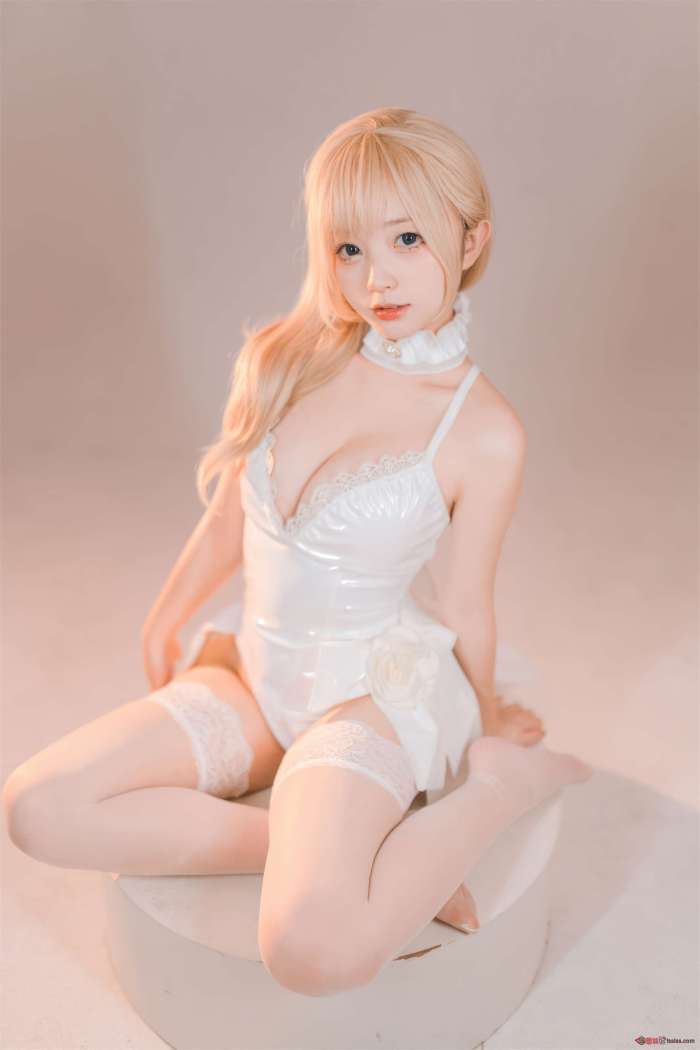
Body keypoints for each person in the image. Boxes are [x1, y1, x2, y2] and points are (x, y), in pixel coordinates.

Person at [2, 107, 592, 997]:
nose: (376, 277)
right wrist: (165, 620)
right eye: (350, 248)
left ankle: (500, 790)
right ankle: (333, 854)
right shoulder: (289, 358)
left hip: (367, 696)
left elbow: (468, 603)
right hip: (256, 675)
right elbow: (232, 520)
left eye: (406, 238)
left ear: (471, 239)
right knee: (37, 807)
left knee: (313, 950)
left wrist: (484, 720)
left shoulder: (482, 429)